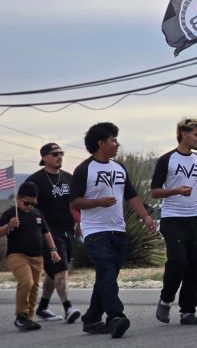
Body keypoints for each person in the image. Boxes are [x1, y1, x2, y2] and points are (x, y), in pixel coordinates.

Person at [71, 122, 157, 338]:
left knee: (106, 276)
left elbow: (132, 196)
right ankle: (115, 316)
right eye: (113, 140)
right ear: (101, 143)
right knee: (107, 270)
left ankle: (91, 319)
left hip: (118, 229)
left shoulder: (119, 168)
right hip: (94, 231)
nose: (117, 144)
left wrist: (145, 217)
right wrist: (98, 202)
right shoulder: (84, 169)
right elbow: (75, 202)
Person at [151, 118, 197, 325]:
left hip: (194, 218)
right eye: (196, 135)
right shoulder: (167, 160)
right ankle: (166, 299)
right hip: (172, 218)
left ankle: (188, 311)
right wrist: (176, 190)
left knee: (193, 266)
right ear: (184, 134)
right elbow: (154, 192)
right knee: (178, 261)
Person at [26, 142, 81, 323]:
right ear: (44, 158)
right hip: (48, 232)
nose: (59, 156)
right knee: (61, 268)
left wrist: (79, 224)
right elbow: (27, 206)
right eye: (54, 153)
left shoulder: (68, 178)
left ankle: (42, 307)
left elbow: (75, 203)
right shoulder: (35, 181)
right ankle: (68, 308)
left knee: (52, 272)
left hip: (68, 230)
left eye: (61, 153)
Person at [0, 182, 62, 331]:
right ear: (18, 199)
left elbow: (46, 232)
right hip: (17, 255)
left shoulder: (37, 214)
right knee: (26, 282)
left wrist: (53, 249)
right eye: (26, 203)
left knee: (34, 287)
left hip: (37, 257)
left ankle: (29, 317)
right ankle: (21, 316)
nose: (30, 207)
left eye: (33, 203)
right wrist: (9, 226)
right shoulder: (10, 213)